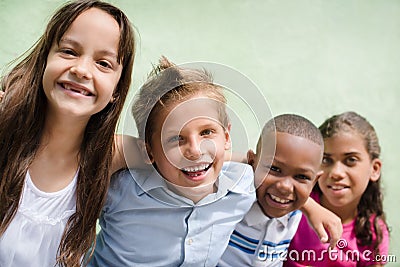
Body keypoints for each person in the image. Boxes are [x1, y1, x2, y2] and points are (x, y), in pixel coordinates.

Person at [0, 1, 135, 266]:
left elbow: (172, 150)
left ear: (116, 91)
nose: (81, 70)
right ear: (44, 61)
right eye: (69, 51)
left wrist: (242, 157)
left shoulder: (109, 155)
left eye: (103, 63)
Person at [88, 56, 256, 267]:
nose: (195, 151)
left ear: (227, 137)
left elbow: (291, 180)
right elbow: (85, 153)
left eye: (207, 132)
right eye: (176, 139)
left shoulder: (245, 187)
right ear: (147, 151)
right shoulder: (120, 189)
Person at [218, 114, 343, 267]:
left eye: (301, 176)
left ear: (315, 181)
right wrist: (310, 206)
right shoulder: (233, 196)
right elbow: (209, 160)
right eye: (274, 168)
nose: (285, 186)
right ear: (251, 162)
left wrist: (309, 206)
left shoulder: (294, 215)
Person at [285, 111, 390, 267]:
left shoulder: (374, 233)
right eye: (326, 160)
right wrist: (310, 207)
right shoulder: (293, 207)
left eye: (351, 160)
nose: (336, 173)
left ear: (374, 169)